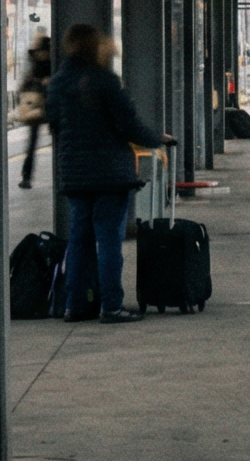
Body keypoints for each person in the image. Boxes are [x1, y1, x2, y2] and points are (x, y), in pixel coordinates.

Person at [45, 24, 173, 322]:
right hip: (110, 173)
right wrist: (157, 138)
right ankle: (111, 305)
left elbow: (54, 125)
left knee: (78, 240)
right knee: (109, 240)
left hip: (74, 174)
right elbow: (128, 124)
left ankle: (74, 305)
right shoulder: (104, 80)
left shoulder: (59, 82)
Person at [17, 29, 52, 188]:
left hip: (38, 105)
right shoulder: (46, 62)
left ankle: (26, 177)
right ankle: (27, 176)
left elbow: (25, 84)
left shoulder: (34, 61)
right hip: (46, 104)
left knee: (32, 142)